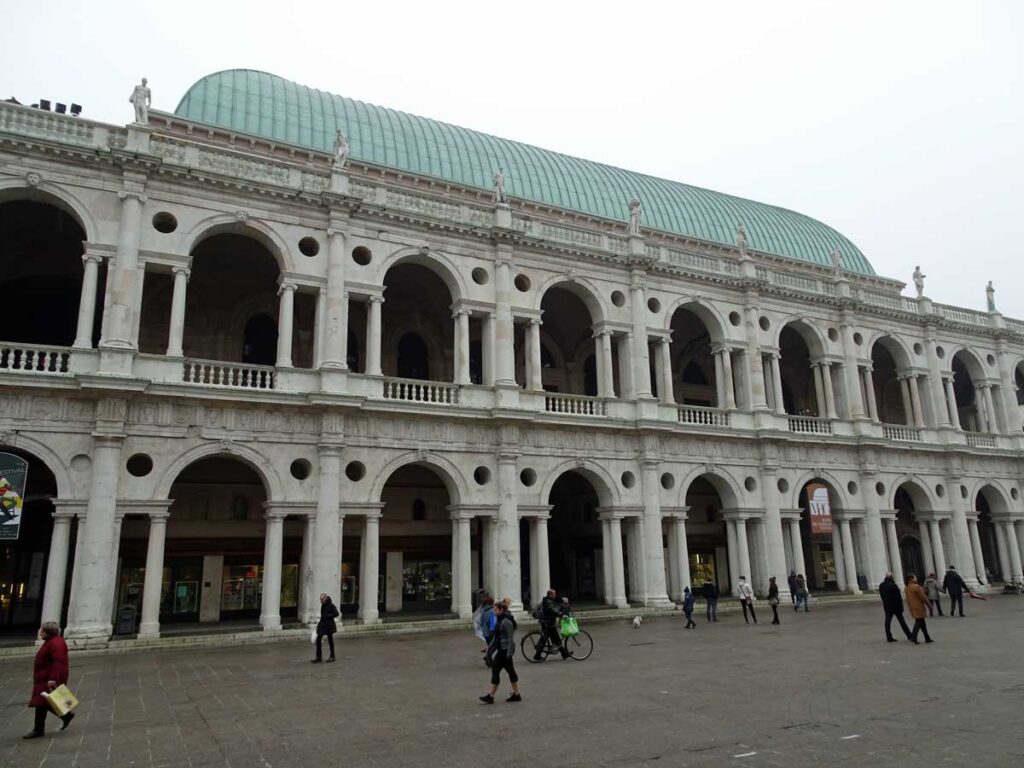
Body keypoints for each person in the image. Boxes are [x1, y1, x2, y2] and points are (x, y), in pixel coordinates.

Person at [24, 622, 72, 739]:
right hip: (45, 677)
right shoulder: (53, 641)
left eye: (42, 631)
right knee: (43, 702)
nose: (40, 633)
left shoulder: (55, 643)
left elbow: (58, 662)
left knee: (42, 702)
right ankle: (65, 716)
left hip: (48, 678)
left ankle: (39, 729)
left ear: (47, 632)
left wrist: (52, 679)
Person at [480, 599, 521, 703]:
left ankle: (491, 696)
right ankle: (516, 694)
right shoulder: (498, 619)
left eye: (496, 610)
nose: (494, 612)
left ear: (502, 610)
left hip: (505, 651)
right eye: (494, 610)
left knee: (495, 670)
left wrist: (509, 653)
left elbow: (510, 638)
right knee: (511, 672)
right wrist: (489, 648)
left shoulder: (507, 621)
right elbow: (496, 637)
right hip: (503, 650)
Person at [878, 573, 913, 642]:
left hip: (887, 606)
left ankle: (889, 637)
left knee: (887, 622)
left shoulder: (881, 585)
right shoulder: (893, 585)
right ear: (891, 577)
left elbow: (882, 595)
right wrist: (901, 608)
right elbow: (898, 598)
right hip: (896, 607)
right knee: (902, 621)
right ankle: (909, 635)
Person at [535, 589, 568, 660]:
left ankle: (564, 653)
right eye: (554, 594)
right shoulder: (548, 602)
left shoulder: (548, 601)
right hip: (548, 623)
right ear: (550, 595)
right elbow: (553, 610)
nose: (555, 596)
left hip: (548, 622)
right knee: (547, 639)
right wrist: (561, 615)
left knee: (554, 639)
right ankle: (537, 655)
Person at [904, 573, 933, 644]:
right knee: (919, 622)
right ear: (911, 579)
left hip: (912, 606)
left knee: (921, 622)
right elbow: (924, 597)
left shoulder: (907, 587)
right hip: (919, 606)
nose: (916, 578)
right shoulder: (916, 587)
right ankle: (914, 637)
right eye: (915, 577)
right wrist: (930, 606)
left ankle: (927, 638)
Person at [311, 593, 339, 663]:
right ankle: (318, 657)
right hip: (323, 625)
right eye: (320, 599)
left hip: (329, 625)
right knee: (318, 640)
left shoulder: (331, 605)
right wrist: (319, 625)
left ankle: (332, 656)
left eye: (322, 599)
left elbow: (336, 613)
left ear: (325, 598)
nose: (321, 601)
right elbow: (323, 616)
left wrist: (328, 616)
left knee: (330, 640)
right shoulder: (323, 605)